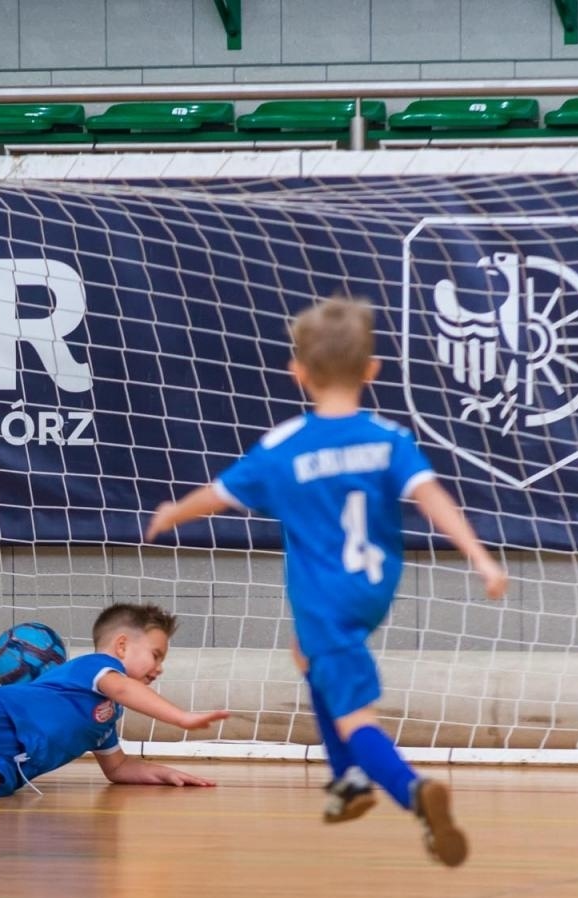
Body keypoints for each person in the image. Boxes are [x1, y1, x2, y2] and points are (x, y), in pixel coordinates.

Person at [146, 297, 506, 867]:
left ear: (298, 373)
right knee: (306, 658)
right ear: (371, 371)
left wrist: (171, 513)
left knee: (353, 712)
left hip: (326, 597)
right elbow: (432, 496)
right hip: (376, 588)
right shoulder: (389, 437)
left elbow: (215, 498)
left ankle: (410, 789)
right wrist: (481, 559)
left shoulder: (284, 446)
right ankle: (346, 782)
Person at [0, 603, 226, 807]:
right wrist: (181, 717)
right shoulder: (96, 668)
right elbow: (123, 689)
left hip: (21, 759)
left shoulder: (105, 717)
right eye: (156, 655)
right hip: (0, 714)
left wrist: (163, 773)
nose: (159, 667)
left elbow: (118, 768)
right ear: (121, 646)